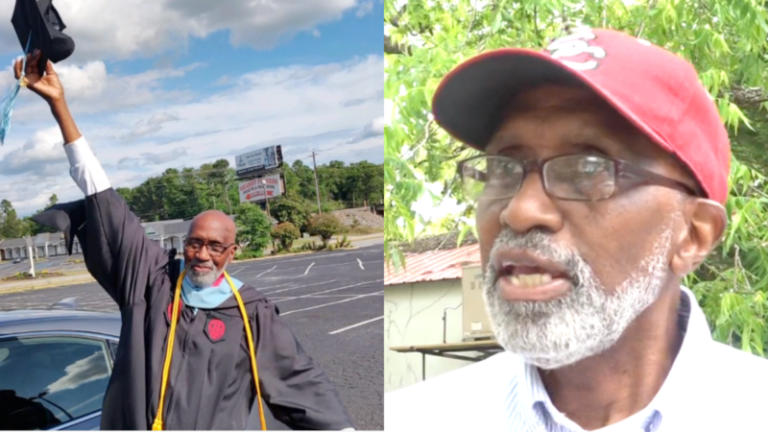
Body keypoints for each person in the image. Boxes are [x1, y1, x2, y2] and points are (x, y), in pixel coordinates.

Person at [384, 27, 768, 431]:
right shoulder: (416, 418)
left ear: (693, 235)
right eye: (501, 168)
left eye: (588, 169)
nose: (520, 210)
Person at [19, 50, 355, 431]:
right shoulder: (152, 283)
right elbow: (104, 198)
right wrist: (59, 104)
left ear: (232, 252)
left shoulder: (251, 313)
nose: (202, 255)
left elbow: (299, 382)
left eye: (215, 247)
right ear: (185, 243)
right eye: (196, 243)